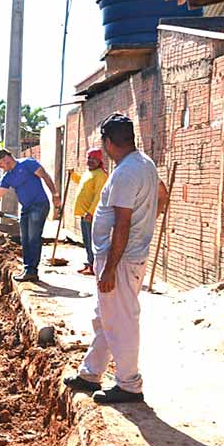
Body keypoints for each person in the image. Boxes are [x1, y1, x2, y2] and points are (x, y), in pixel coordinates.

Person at [64, 114, 169, 404]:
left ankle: (129, 384)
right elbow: (163, 193)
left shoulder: (125, 173)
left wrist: (110, 268)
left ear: (108, 142)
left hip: (120, 260)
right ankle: (91, 373)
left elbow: (122, 223)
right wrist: (150, 218)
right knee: (105, 317)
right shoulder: (144, 164)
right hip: (123, 256)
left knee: (121, 322)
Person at [0, 148, 62, 282]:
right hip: (26, 208)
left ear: (6, 158)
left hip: (39, 205)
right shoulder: (8, 176)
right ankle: (28, 268)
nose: (0, 167)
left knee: (33, 237)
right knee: (25, 239)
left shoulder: (28, 164)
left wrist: (55, 194)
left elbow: (45, 176)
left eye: (0, 164)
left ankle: (32, 270)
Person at [72, 148, 109, 276]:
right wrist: (73, 176)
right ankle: (90, 263)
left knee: (92, 240)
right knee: (86, 240)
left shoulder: (101, 175)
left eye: (94, 159)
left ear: (99, 161)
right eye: (89, 158)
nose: (91, 161)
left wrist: (91, 212)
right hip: (84, 213)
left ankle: (94, 266)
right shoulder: (89, 173)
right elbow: (82, 182)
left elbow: (99, 195)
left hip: (91, 215)